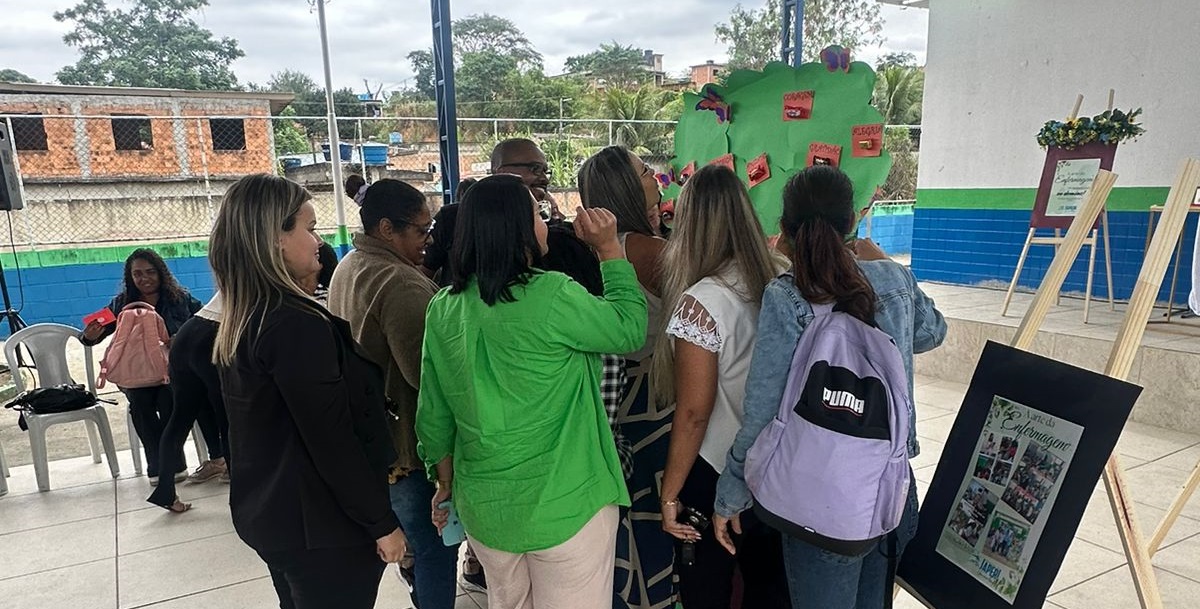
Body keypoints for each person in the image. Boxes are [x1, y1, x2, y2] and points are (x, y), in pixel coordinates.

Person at [712, 166, 947, 609]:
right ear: (853, 221)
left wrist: (731, 493)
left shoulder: (788, 296)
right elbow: (932, 332)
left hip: (821, 503)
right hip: (890, 491)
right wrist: (883, 261)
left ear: (785, 229)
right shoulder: (893, 281)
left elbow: (762, 410)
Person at [416, 174, 646, 609]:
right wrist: (610, 250)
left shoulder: (443, 308)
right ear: (518, 229)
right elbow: (629, 329)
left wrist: (444, 482)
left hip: (487, 510)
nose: (545, 223)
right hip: (567, 503)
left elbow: (434, 413)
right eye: (537, 215)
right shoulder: (551, 294)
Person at [210, 174, 406, 609]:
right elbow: (332, 440)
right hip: (323, 527)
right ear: (274, 239)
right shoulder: (294, 325)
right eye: (310, 228)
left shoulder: (249, 317)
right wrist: (380, 523)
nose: (319, 241)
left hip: (278, 517)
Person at [653, 166, 790, 608]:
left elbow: (695, 413)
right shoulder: (780, 275)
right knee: (769, 588)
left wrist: (669, 495)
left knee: (706, 590)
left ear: (690, 225)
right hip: (776, 466)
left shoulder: (701, 302)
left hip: (715, 468)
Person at [327, 178, 460, 609]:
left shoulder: (349, 265)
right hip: (409, 450)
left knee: (415, 547)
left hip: (373, 440)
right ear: (387, 229)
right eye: (421, 230)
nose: (429, 240)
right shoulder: (401, 284)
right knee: (436, 549)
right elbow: (429, 380)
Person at [578, 145, 670, 609]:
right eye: (645, 170)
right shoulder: (651, 251)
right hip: (654, 398)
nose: (655, 176)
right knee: (656, 509)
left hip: (610, 397)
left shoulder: (591, 249)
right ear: (625, 188)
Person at [81, 248, 203, 485]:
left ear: (161, 273)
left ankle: (172, 464)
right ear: (130, 277)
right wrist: (89, 336)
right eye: (137, 274)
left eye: (150, 272)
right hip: (136, 375)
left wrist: (181, 339)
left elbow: (204, 325)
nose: (144, 278)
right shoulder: (121, 303)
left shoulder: (181, 299)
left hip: (171, 372)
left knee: (168, 400)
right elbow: (95, 334)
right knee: (140, 404)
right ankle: (159, 465)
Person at [146, 293, 228, 513]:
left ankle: (165, 491)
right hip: (215, 334)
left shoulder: (232, 275)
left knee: (180, 418)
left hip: (188, 334)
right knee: (228, 419)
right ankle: (243, 499)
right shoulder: (267, 274)